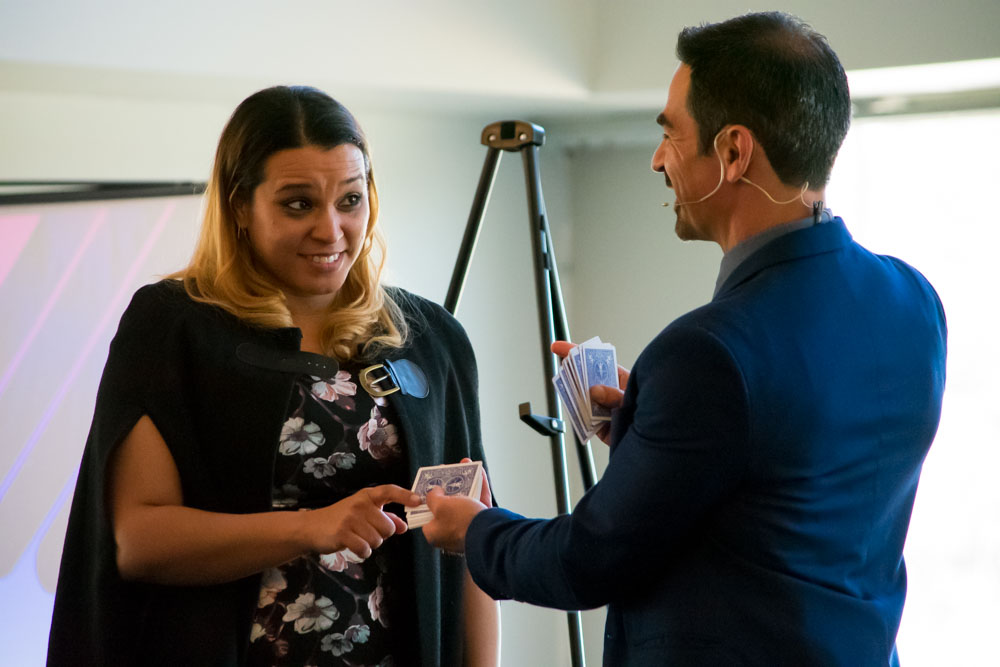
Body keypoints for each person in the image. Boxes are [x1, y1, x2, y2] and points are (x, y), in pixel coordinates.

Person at [423, 11, 946, 667]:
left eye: (670, 133)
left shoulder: (707, 352)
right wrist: (650, 428)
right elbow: (790, 476)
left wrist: (477, 532)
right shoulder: (913, 300)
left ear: (733, 152)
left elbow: (588, 560)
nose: (657, 159)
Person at [47, 85, 500, 667]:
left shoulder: (432, 337)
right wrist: (311, 527)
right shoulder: (173, 326)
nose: (331, 230)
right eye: (298, 204)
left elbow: (469, 543)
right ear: (240, 205)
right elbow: (140, 541)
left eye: (350, 200)